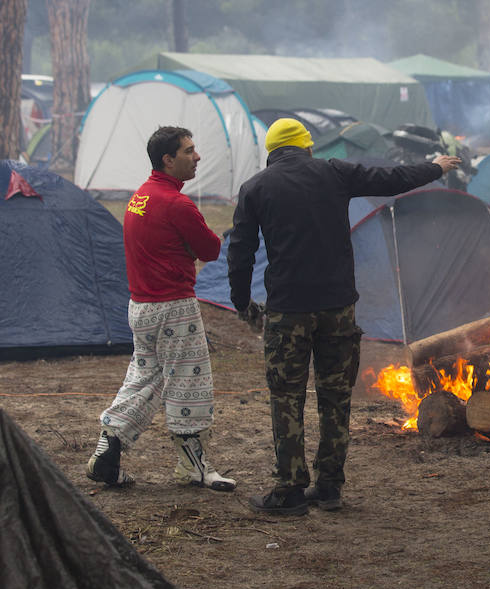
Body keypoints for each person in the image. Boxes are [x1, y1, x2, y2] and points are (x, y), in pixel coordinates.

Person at [228, 118, 460, 515]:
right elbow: (391, 179)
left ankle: (290, 490)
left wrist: (240, 301)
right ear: (307, 146)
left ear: (271, 152)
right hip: (338, 308)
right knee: (335, 398)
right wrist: (435, 167)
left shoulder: (256, 188)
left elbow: (240, 251)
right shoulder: (333, 173)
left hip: (288, 312)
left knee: (287, 397)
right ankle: (330, 486)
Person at [86, 126, 235, 492]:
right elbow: (212, 250)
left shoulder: (139, 198)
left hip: (141, 306)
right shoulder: (177, 204)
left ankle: (109, 444)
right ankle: (194, 468)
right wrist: (187, 249)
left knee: (144, 379)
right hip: (175, 308)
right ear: (168, 160)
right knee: (189, 384)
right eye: (189, 150)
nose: (197, 156)